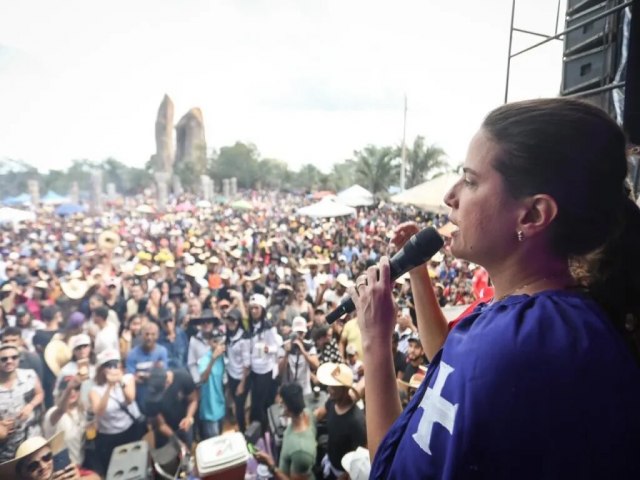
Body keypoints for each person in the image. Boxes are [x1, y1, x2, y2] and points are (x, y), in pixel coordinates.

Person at [351, 98, 640, 478]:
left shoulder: (515, 344)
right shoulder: (562, 322)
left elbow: (389, 473)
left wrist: (373, 341)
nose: (450, 196)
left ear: (533, 215)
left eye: (470, 181)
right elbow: (462, 368)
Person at [88, 349, 141, 476]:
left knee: (134, 464)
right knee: (114, 470)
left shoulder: (127, 379)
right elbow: (99, 411)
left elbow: (130, 399)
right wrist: (109, 387)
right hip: (109, 435)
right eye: (108, 365)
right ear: (101, 369)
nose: (112, 368)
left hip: (129, 430)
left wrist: (120, 381)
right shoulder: (95, 389)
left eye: (115, 364)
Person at [254, 383, 317, 480]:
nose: (280, 403)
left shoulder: (300, 451)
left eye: (282, 401)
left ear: (286, 407)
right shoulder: (307, 413)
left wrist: (270, 464)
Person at [315, 362, 366, 480]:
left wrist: (346, 476)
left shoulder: (356, 421)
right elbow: (319, 413)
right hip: (330, 461)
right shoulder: (332, 402)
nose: (328, 389)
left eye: (333, 387)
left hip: (342, 473)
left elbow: (359, 455)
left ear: (344, 389)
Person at [0, 342, 45, 463]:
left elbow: (40, 393)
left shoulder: (29, 375)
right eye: (4, 359)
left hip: (31, 438)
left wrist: (30, 406)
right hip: (6, 448)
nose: (9, 361)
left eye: (14, 357)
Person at [247, 294, 280, 431]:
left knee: (262, 402)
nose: (254, 311)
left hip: (265, 369)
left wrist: (268, 349)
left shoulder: (268, 326)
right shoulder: (249, 325)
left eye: (257, 308)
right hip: (253, 368)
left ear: (262, 310)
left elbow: (277, 346)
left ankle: (264, 428)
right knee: (255, 400)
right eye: (252, 308)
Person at [145, 366, 198, 449]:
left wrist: (188, 417)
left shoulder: (183, 377)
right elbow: (161, 424)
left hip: (185, 426)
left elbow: (193, 400)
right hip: (164, 433)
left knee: (188, 448)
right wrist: (177, 442)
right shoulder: (150, 396)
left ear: (168, 382)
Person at [125, 322, 168, 414]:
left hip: (158, 398)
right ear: (141, 335)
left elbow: (163, 375)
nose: (149, 338)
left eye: (153, 334)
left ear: (158, 336)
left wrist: (143, 376)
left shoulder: (162, 351)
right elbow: (130, 379)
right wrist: (153, 375)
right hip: (140, 398)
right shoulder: (132, 354)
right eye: (146, 334)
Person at [0, 431, 80, 480]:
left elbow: (92, 476)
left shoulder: (64, 473)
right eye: (33, 466)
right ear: (23, 473)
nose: (43, 466)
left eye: (46, 457)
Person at [224, 308, 250, 432]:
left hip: (240, 377)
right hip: (231, 374)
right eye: (229, 320)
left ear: (238, 321)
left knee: (240, 407)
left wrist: (242, 383)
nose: (231, 323)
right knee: (235, 402)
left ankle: (243, 430)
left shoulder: (243, 338)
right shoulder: (228, 335)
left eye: (234, 320)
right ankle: (239, 426)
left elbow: (246, 364)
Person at [197, 328, 226, 439]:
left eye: (220, 342)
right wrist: (213, 359)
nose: (218, 345)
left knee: (220, 439)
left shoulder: (224, 358)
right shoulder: (204, 359)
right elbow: (203, 378)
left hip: (221, 407)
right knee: (213, 443)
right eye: (215, 341)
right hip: (209, 410)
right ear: (209, 342)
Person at [280, 317, 319, 395]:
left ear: (305, 333)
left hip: (304, 389)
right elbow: (280, 371)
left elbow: (316, 365)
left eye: (301, 333)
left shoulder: (309, 346)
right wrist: (286, 354)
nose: (298, 336)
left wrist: (303, 350)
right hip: (288, 387)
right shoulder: (284, 345)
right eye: (296, 333)